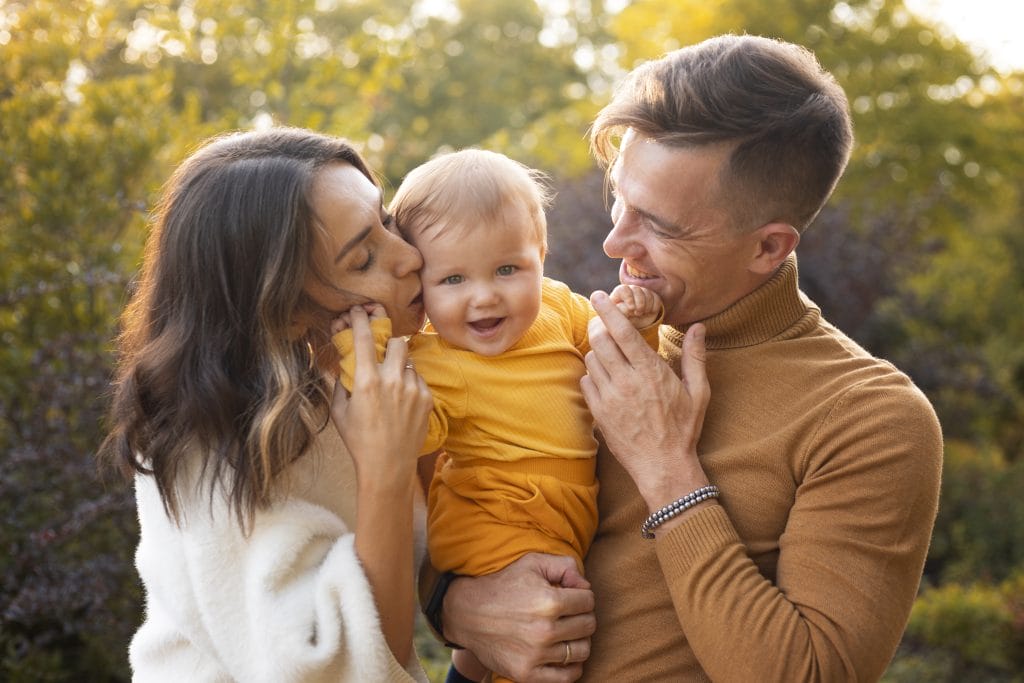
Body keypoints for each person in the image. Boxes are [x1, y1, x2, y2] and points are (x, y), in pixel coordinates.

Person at [428, 34, 944, 681]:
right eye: (619, 194)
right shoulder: (562, 335)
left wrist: (666, 466)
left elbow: (812, 673)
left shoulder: (870, 417)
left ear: (768, 246)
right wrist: (453, 604)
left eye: (659, 225)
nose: (616, 240)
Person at [98, 127, 436, 682]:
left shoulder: (362, 379)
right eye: (363, 259)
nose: (409, 257)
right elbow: (343, 667)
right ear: (283, 312)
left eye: (387, 221)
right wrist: (386, 471)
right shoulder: (212, 450)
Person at [331, 148, 662, 682]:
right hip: (496, 519)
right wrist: (361, 348)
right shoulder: (437, 359)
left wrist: (634, 320)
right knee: (542, 638)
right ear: (421, 286)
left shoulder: (558, 307)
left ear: (541, 255)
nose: (485, 297)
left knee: (537, 631)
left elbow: (609, 348)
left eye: (507, 269)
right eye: (453, 280)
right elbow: (411, 430)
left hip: (562, 513)